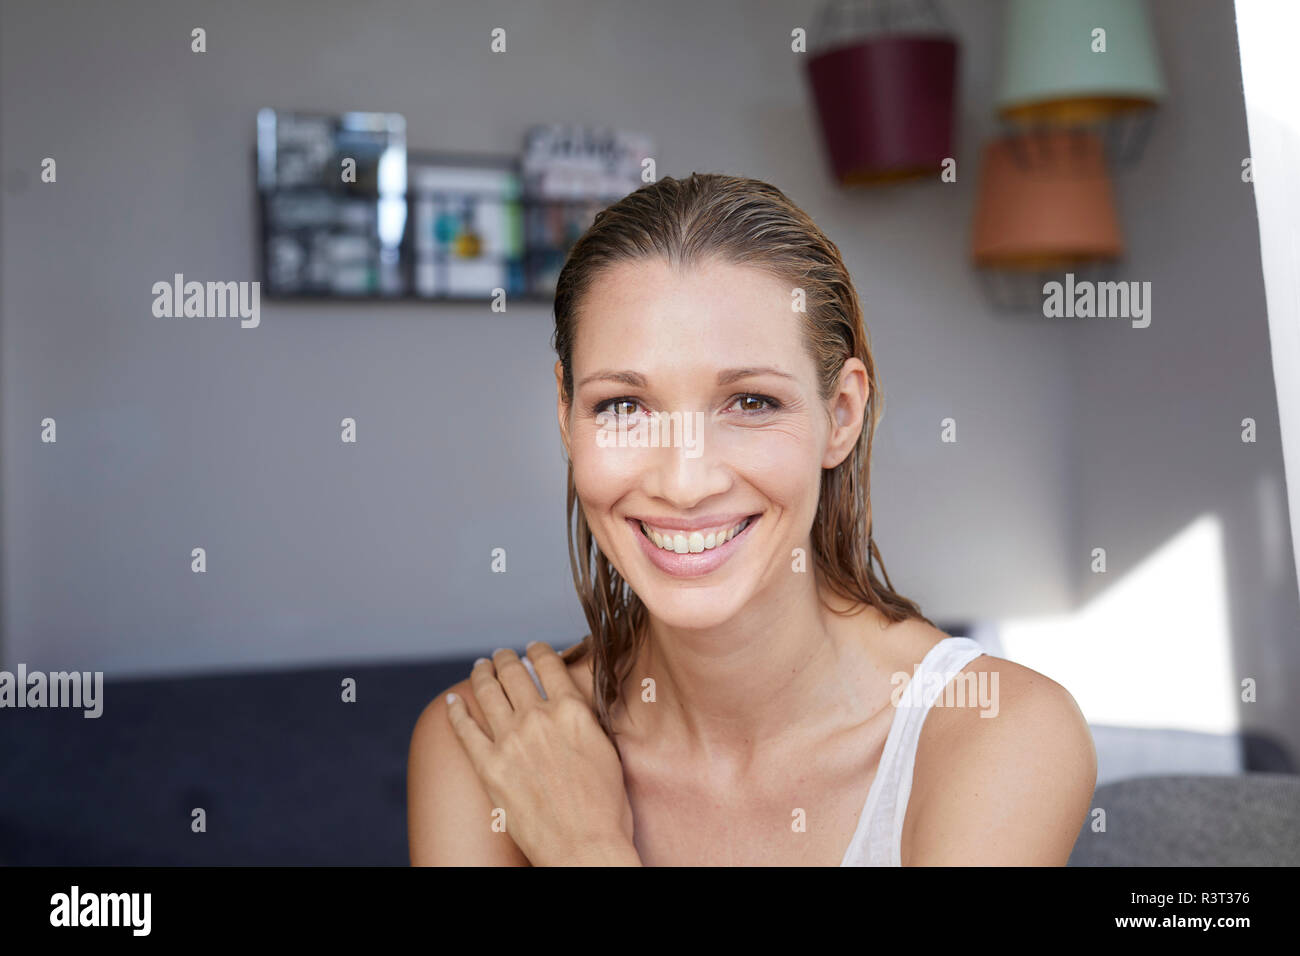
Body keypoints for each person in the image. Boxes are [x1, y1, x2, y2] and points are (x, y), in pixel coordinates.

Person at [408, 172, 1096, 866]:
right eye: (623, 406)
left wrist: (586, 847)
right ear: (566, 417)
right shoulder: (484, 748)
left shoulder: (999, 732)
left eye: (750, 402)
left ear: (841, 415)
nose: (684, 482)